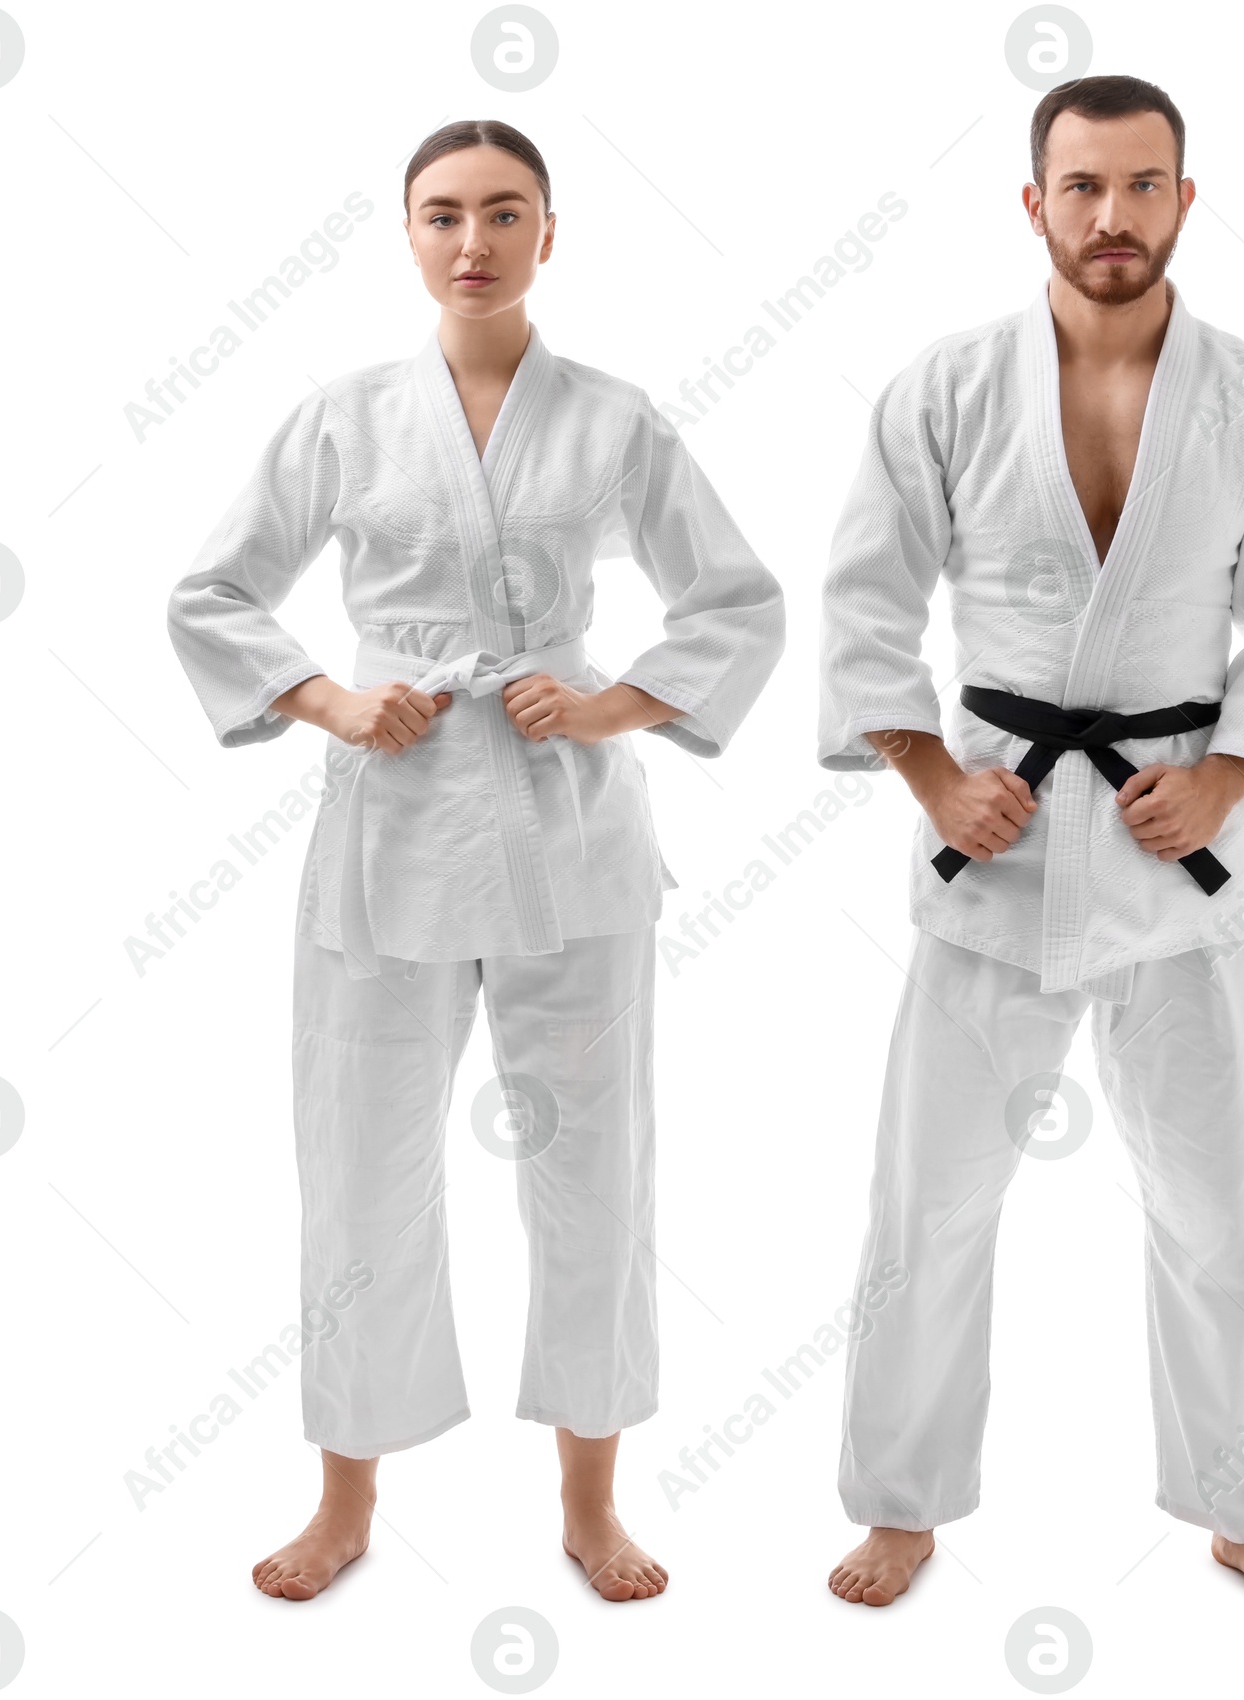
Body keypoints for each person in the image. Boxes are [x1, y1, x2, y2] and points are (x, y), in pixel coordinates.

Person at [166, 119, 784, 1603]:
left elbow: (737, 600)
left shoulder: (617, 419)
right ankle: (345, 1499)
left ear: (549, 235)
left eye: (505, 214)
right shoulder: (347, 417)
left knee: (596, 1165)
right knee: (362, 1164)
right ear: (406, 234)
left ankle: (591, 1503)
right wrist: (327, 695)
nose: (473, 241)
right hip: (394, 815)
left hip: (568, 818)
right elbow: (214, 590)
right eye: (443, 214)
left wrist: (609, 701)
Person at [817, 75, 1244, 1615]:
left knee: (1218, 1203)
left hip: (1180, 845)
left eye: (1141, 185)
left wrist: (1234, 774)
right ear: (1032, 201)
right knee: (928, 1200)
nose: (1110, 216)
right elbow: (863, 597)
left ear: (1187, 198)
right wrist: (925, 774)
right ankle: (902, 1507)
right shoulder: (949, 387)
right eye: (1082, 186)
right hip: (997, 834)